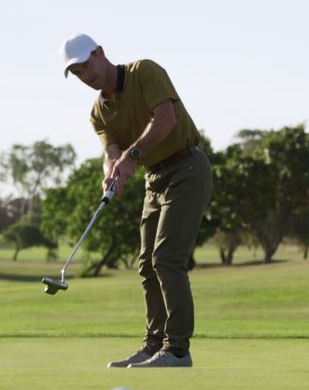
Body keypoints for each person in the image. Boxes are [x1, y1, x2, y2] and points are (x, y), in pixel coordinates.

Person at [61, 33, 213, 368]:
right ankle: (153, 345)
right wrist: (111, 170)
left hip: (187, 168)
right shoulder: (99, 112)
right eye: (77, 73)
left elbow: (166, 120)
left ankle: (177, 350)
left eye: (86, 66)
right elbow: (111, 152)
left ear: (100, 53)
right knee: (146, 264)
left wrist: (132, 155)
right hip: (154, 179)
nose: (86, 76)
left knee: (167, 258)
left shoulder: (144, 72)